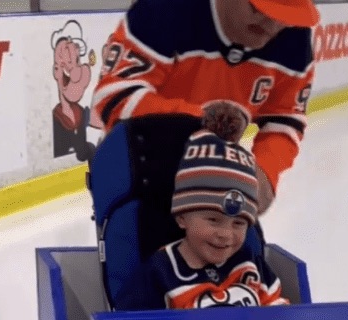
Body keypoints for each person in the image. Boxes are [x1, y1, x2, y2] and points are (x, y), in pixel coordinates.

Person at [91, 0, 318, 217]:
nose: (272, 23)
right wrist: (205, 124)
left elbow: (285, 119)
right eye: (257, 7)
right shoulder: (163, 10)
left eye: (285, 14)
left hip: (214, 181)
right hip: (136, 172)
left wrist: (265, 172)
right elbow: (113, 99)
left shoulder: (295, 36)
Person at [112, 128, 288, 311]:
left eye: (238, 223)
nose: (226, 235)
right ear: (182, 218)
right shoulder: (158, 274)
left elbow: (279, 312)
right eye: (213, 220)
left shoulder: (251, 263)